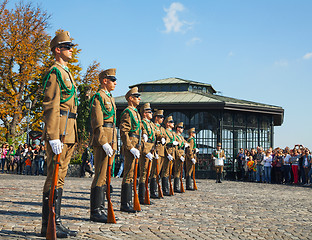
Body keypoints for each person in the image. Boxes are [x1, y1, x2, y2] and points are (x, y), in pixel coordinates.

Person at [41, 31, 78, 238]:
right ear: (57, 49)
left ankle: (57, 221)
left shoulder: (66, 72)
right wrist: (53, 135)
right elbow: (51, 105)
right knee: (53, 177)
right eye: (68, 46)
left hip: (69, 129)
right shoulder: (55, 72)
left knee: (60, 178)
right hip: (60, 131)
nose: (71, 50)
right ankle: (48, 224)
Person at [89, 68, 117, 222]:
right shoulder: (98, 97)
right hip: (103, 140)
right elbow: (97, 122)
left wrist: (113, 143)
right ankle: (95, 211)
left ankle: (101, 208)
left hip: (110, 138)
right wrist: (104, 141)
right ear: (104, 81)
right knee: (100, 175)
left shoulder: (110, 98)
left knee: (106, 176)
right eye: (113, 80)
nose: (115, 83)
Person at [119, 87, 142, 213]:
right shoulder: (128, 112)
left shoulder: (135, 113)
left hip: (136, 144)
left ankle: (129, 201)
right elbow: (124, 131)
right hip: (131, 145)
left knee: (132, 174)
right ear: (130, 99)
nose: (139, 99)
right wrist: (130, 147)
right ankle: (125, 203)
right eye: (136, 96)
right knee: (128, 174)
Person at [139, 103, 156, 204]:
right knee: (144, 173)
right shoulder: (142, 123)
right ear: (145, 113)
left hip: (151, 149)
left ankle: (146, 195)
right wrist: (145, 152)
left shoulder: (150, 124)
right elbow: (141, 139)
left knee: (148, 173)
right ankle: (141, 197)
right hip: (145, 150)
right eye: (149, 112)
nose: (151, 113)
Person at [150, 110, 167, 198]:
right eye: (160, 117)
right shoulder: (152, 126)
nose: (162, 119)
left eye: (162, 117)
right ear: (156, 118)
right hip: (155, 150)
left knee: (158, 172)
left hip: (162, 152)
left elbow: (166, 137)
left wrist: (164, 139)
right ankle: (153, 191)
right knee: (154, 171)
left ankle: (156, 189)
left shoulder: (162, 128)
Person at [162, 116, 178, 195]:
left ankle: (168, 188)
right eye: (171, 122)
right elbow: (164, 144)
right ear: (167, 124)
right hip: (167, 153)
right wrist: (167, 154)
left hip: (173, 153)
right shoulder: (165, 131)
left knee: (169, 172)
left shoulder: (172, 133)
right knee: (165, 171)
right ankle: (165, 190)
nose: (173, 123)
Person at [174, 122, 188, 192]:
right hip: (178, 154)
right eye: (181, 128)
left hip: (182, 153)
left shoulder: (181, 137)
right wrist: (179, 156)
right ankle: (176, 187)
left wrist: (186, 144)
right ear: (178, 128)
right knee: (177, 171)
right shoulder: (175, 136)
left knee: (180, 171)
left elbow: (185, 142)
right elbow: (176, 148)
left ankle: (178, 186)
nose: (182, 129)